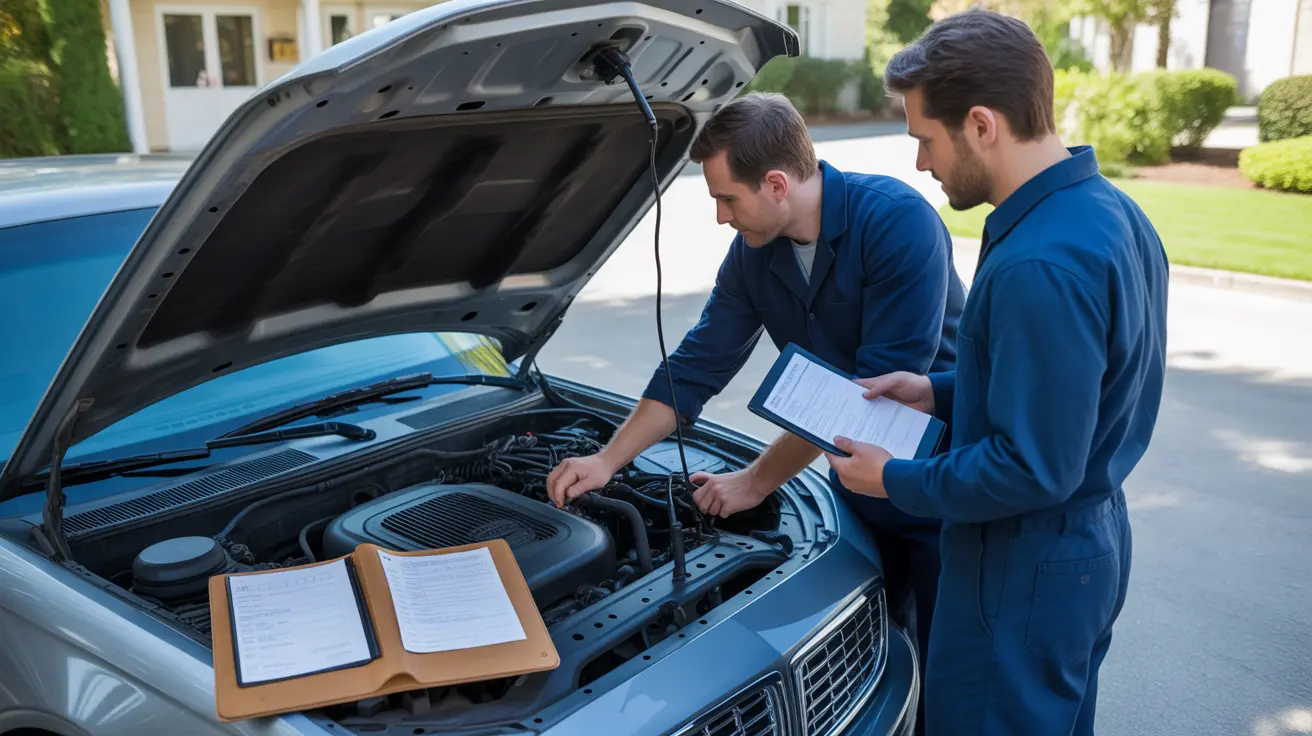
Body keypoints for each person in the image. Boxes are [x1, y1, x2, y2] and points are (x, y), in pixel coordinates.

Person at [545, 92, 966, 717]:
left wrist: (755, 481)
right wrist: (608, 461)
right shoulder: (752, 255)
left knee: (945, 673)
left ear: (775, 183)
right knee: (872, 654)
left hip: (937, 487)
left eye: (726, 198)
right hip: (852, 480)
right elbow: (693, 368)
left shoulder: (896, 222)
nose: (720, 217)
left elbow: (865, 400)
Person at [822, 9, 1169, 735]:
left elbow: (1032, 467)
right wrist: (937, 390)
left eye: (925, 139)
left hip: (1020, 568)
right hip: (1085, 550)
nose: (921, 163)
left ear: (981, 124)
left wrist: (892, 478)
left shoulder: (1039, 263)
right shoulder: (1112, 213)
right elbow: (1071, 390)